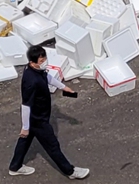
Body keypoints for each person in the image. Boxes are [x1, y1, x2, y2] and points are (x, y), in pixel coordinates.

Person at [9, 45, 89, 179]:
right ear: (32, 62)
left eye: (45, 58)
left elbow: (47, 78)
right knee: (52, 145)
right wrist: (25, 127)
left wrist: (64, 88)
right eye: (41, 60)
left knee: (25, 140)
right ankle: (70, 171)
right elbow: (26, 105)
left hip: (38, 117)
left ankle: (15, 166)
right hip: (37, 119)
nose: (45, 62)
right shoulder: (31, 81)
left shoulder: (36, 70)